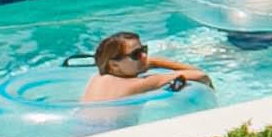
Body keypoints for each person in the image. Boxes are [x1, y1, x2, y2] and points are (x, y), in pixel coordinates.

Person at [82, 32, 212, 103]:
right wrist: (155, 62)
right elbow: (200, 74)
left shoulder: (97, 79)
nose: (144, 56)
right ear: (114, 65)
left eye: (144, 50)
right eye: (136, 54)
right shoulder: (138, 84)